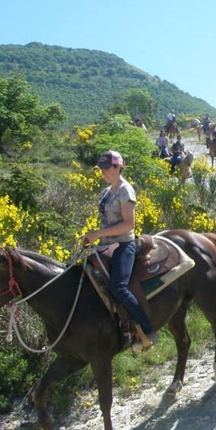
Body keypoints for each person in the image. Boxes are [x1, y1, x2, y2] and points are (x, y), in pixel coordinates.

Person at [83, 150, 158, 351]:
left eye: (107, 169)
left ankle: (147, 329)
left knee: (119, 287)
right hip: (106, 245)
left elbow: (128, 224)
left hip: (124, 244)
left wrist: (98, 233)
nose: (104, 173)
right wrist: (94, 237)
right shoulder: (107, 192)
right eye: (102, 170)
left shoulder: (126, 190)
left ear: (118, 167)